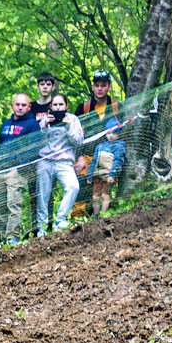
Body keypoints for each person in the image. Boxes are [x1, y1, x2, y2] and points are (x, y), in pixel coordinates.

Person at [35, 95, 83, 235]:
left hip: (64, 161)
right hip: (45, 161)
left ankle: (61, 220)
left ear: (66, 106)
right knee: (43, 195)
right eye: (55, 105)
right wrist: (44, 125)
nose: (58, 108)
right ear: (50, 107)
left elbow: (79, 141)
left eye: (61, 104)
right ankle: (42, 228)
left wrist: (68, 127)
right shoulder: (44, 119)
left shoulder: (73, 119)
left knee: (73, 186)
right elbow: (35, 141)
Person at [0, 95, 41, 243]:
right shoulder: (6, 123)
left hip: (17, 170)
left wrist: (22, 165)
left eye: (23, 105)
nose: (20, 107)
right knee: (0, 205)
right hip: (1, 169)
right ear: (13, 105)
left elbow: (35, 147)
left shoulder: (32, 124)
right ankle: (4, 238)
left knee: (13, 203)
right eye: (17, 104)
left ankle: (12, 237)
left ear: (29, 107)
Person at [80, 72, 125, 212]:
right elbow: (76, 135)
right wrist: (79, 156)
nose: (100, 88)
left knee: (105, 190)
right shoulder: (83, 107)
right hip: (87, 154)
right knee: (82, 184)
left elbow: (123, 132)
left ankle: (103, 215)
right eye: (97, 85)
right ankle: (78, 217)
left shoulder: (117, 106)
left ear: (109, 87)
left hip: (109, 156)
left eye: (103, 85)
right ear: (92, 87)